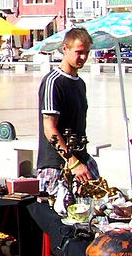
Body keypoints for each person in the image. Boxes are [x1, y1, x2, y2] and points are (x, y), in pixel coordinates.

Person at [35, 28, 96, 211]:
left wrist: (81, 161)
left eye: (86, 53)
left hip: (80, 161)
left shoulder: (80, 83)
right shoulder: (53, 82)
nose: (83, 57)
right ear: (65, 49)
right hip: (57, 166)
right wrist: (73, 162)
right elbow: (50, 129)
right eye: (79, 52)